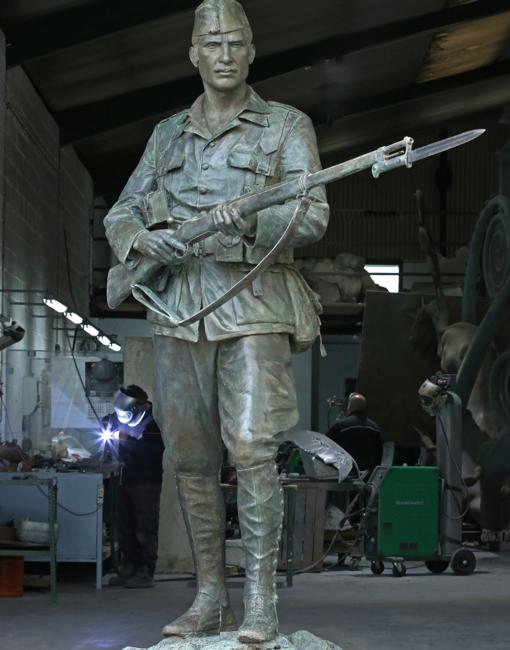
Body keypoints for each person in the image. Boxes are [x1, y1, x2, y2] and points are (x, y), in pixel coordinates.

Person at [104, 0, 329, 642]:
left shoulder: (286, 125)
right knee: (190, 457)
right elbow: (121, 211)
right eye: (212, 43)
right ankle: (210, 599)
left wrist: (250, 223)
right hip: (177, 311)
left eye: (235, 43)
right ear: (193, 54)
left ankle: (260, 602)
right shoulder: (167, 135)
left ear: (252, 52)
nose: (224, 54)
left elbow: (313, 213)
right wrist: (141, 241)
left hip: (254, 306)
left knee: (255, 450)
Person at [103, 385, 164, 589]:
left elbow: (152, 452)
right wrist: (105, 425)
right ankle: (128, 567)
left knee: (144, 528)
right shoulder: (121, 415)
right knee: (125, 527)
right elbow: (110, 420)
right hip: (124, 479)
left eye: (124, 415)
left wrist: (127, 440)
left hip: (146, 483)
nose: (120, 418)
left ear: (138, 408)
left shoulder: (153, 422)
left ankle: (145, 572)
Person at [326, 392, 383, 474]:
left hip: (347, 471)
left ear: (349, 407)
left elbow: (326, 444)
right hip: (368, 473)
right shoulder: (374, 427)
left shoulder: (341, 426)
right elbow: (380, 451)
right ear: (364, 408)